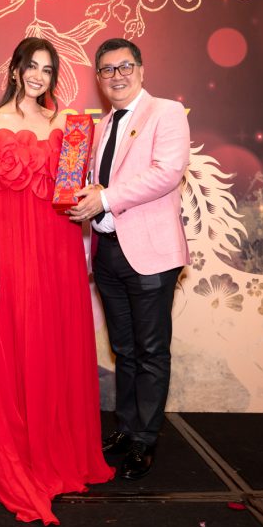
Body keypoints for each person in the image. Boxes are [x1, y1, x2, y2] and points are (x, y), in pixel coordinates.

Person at [0, 37, 114, 525]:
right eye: (31, 66)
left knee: (61, 343)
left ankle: (65, 448)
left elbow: (74, 190)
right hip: (17, 250)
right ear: (15, 69)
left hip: (60, 247)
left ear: (54, 76)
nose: (38, 75)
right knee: (28, 342)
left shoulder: (67, 122)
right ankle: (30, 455)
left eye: (47, 69)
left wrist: (87, 199)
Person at [68, 38, 190, 480]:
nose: (116, 76)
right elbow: (94, 183)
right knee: (123, 349)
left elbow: (166, 172)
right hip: (107, 252)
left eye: (124, 67)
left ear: (141, 69)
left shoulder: (166, 112)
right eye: (107, 69)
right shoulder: (101, 125)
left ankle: (145, 439)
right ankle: (126, 427)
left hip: (151, 253)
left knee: (151, 349)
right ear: (98, 78)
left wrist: (104, 199)